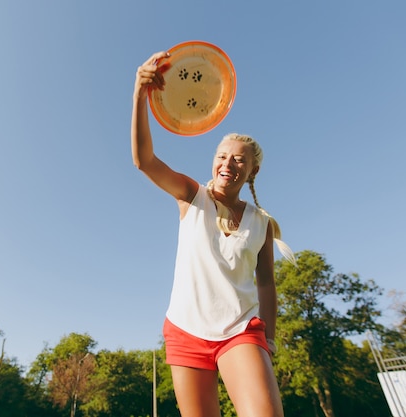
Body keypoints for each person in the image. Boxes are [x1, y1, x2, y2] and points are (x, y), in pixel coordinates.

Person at [131, 51, 292, 417]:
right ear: (213, 161)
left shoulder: (261, 224)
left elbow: (266, 283)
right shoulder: (192, 197)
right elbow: (144, 160)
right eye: (222, 155)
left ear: (252, 171)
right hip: (185, 330)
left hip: (240, 331)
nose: (228, 163)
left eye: (239, 159)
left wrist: (268, 338)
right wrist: (140, 94)